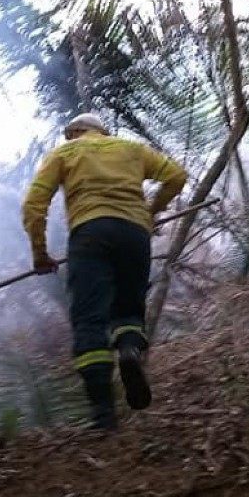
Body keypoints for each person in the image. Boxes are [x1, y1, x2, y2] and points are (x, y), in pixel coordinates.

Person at [22, 113, 187, 430]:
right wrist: (149, 213)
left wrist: (40, 254)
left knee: (89, 320)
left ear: (76, 132)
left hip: (90, 234)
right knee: (128, 310)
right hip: (134, 235)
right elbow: (177, 176)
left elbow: (33, 205)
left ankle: (103, 415)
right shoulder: (131, 149)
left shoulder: (65, 153)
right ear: (102, 131)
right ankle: (128, 350)